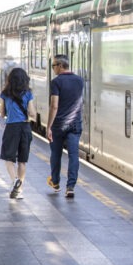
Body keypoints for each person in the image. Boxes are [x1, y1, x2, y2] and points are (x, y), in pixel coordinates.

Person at [46, 54, 84, 198]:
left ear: (61, 66)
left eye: (54, 65)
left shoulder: (56, 82)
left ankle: (55, 182)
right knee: (73, 155)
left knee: (56, 154)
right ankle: (70, 187)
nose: (53, 68)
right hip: (74, 124)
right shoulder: (80, 81)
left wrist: (48, 126)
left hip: (58, 125)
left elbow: (54, 106)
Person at [0, 68, 36, 199]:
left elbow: (2, 113)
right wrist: (28, 116)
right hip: (25, 128)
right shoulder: (28, 94)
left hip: (11, 128)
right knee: (22, 161)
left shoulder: (5, 94)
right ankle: (19, 191)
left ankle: (15, 179)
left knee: (8, 158)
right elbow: (32, 113)